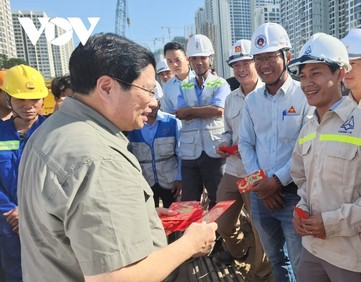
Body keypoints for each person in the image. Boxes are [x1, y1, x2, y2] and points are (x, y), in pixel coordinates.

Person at [17, 33, 217, 282]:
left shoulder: (52, 131)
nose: (154, 102)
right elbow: (116, 277)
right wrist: (191, 244)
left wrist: (141, 218)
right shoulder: (97, 158)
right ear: (106, 87)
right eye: (147, 90)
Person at [288, 32, 361, 282]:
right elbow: (303, 180)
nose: (307, 82)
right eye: (303, 75)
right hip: (312, 248)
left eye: (316, 73)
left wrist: (332, 223)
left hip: (353, 256)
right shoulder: (308, 130)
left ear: (340, 73)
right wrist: (302, 208)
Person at [238, 22, 314, 282]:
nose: (264, 65)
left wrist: (278, 181)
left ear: (288, 57)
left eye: (271, 56)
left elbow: (305, 148)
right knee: (274, 259)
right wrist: (260, 182)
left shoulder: (304, 97)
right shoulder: (252, 101)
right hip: (261, 195)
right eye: (259, 58)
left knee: (299, 259)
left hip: (292, 194)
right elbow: (245, 143)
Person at [213, 39, 273, 280]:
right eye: (236, 65)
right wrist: (224, 143)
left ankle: (260, 273)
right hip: (233, 169)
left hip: (255, 173)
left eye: (246, 63)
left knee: (261, 227)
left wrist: (248, 149)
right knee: (222, 220)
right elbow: (227, 130)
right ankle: (240, 250)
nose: (241, 69)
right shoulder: (231, 99)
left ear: (256, 63)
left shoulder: (268, 95)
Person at [0, 64, 48, 282]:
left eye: (35, 99)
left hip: (48, 218)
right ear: (8, 98)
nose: (29, 106)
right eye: (21, 99)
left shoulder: (55, 131)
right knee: (16, 273)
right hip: (9, 222)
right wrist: (12, 211)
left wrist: (29, 211)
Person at [176, 34, 230, 209]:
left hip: (214, 152)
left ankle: (220, 235)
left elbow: (218, 110)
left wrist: (191, 111)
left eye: (203, 58)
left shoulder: (220, 83)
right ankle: (194, 235)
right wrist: (205, 110)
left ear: (210, 59)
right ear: (189, 60)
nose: (199, 62)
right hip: (190, 153)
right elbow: (179, 113)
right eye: (194, 58)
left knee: (218, 199)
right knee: (189, 202)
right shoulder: (184, 85)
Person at [127, 92, 182, 209]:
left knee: (174, 217)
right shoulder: (132, 125)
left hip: (170, 182)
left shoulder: (172, 122)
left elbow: (181, 153)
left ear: (159, 103)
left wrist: (180, 178)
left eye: (153, 105)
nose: (151, 109)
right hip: (145, 182)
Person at [161, 41, 195, 114]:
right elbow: (168, 115)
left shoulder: (201, 79)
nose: (174, 65)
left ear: (187, 59)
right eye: (169, 61)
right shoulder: (167, 88)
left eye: (177, 60)